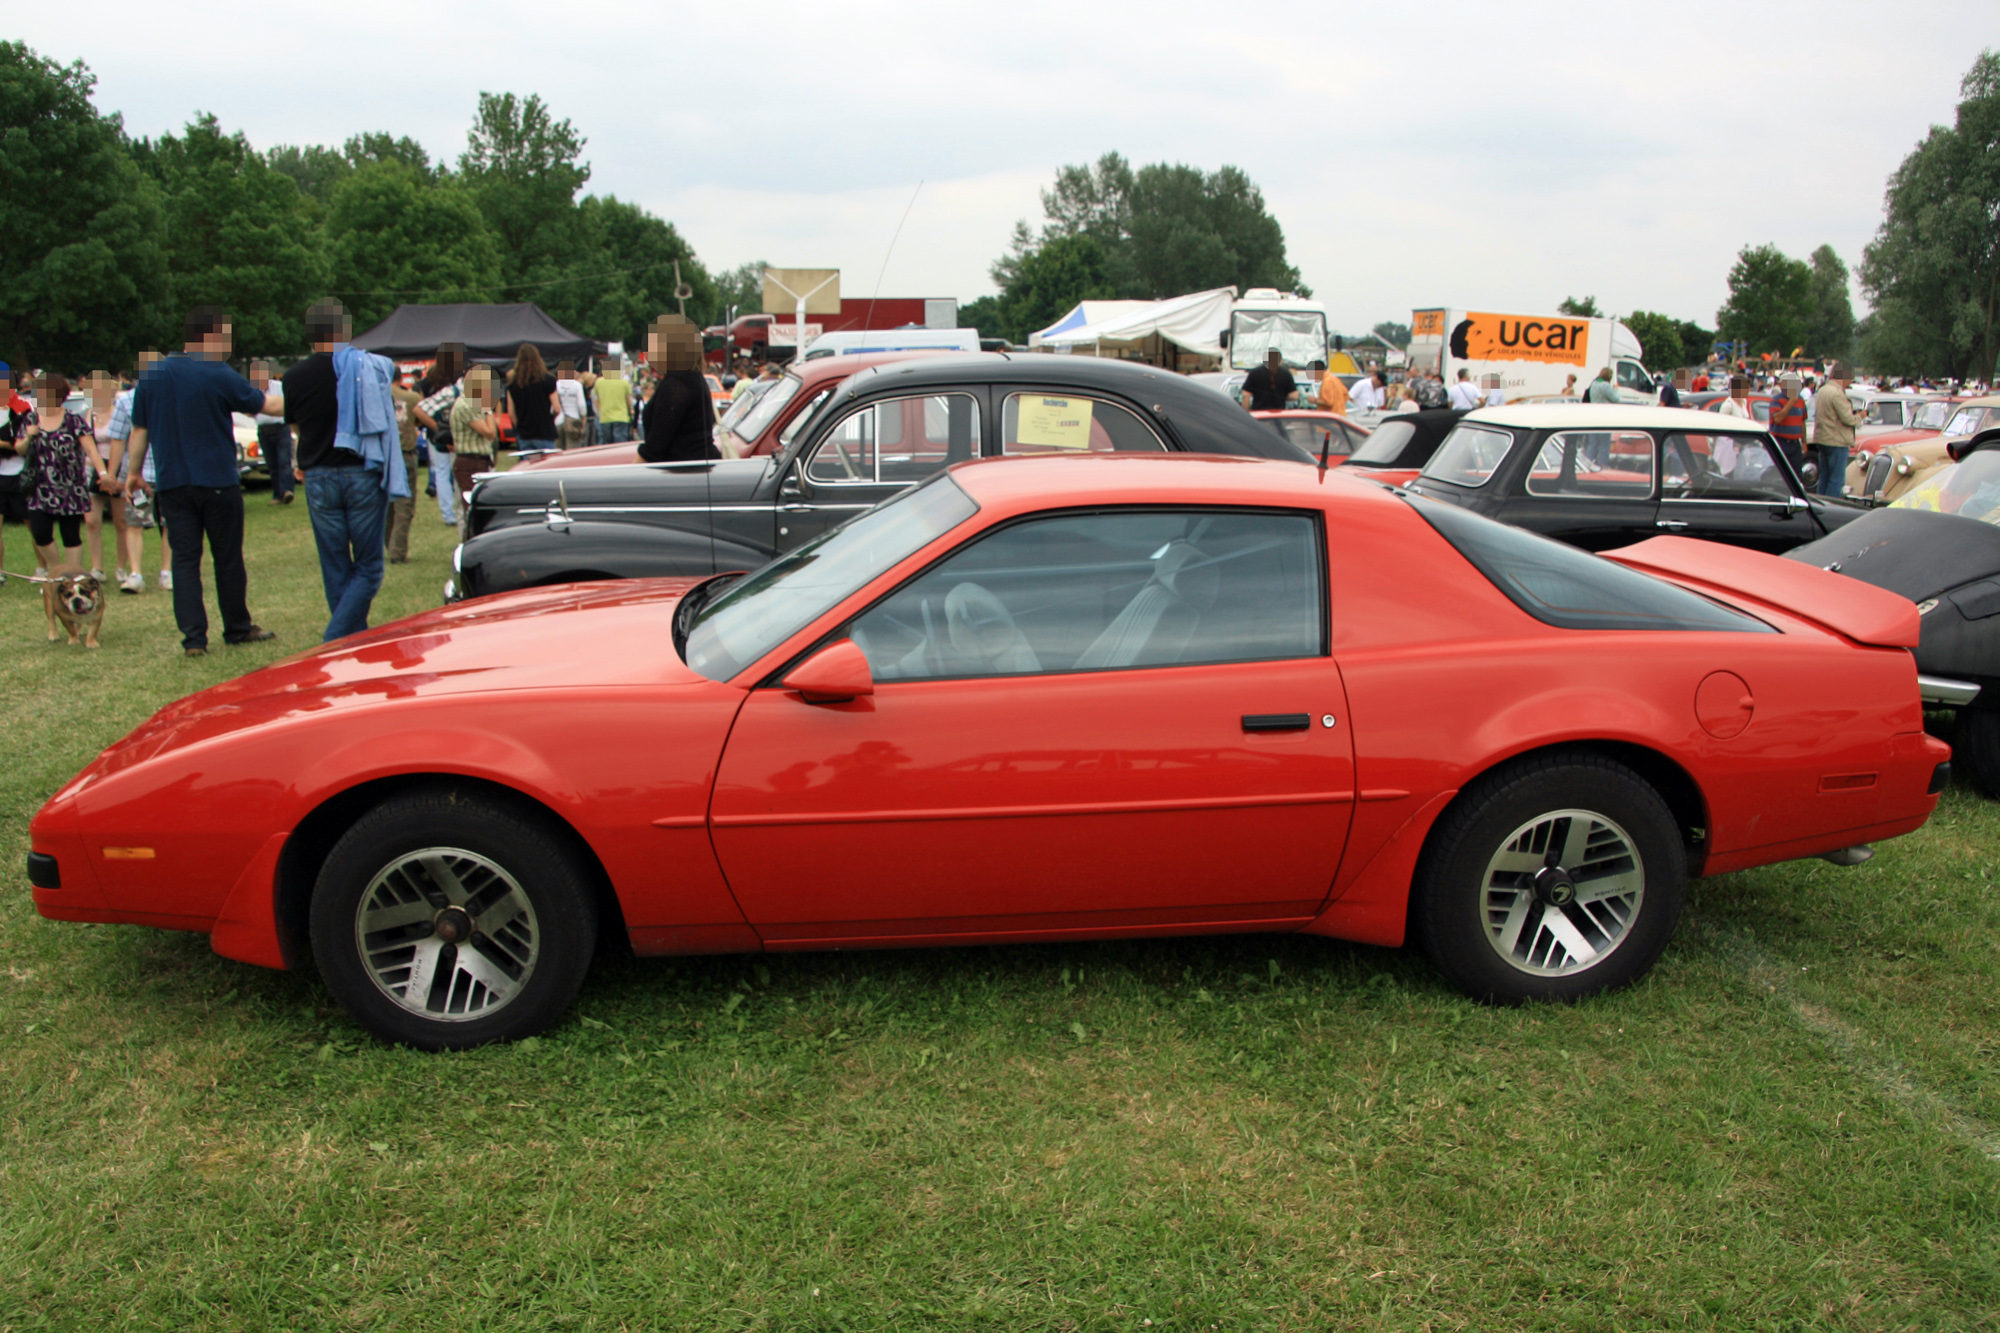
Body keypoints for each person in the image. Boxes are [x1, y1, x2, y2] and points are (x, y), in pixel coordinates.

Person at [124, 305, 280, 656]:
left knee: (184, 561)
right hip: (218, 481)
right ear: (208, 336)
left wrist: (133, 473)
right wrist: (307, 400)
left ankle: (194, 639)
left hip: (173, 483)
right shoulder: (217, 372)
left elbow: (140, 430)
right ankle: (237, 627)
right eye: (224, 336)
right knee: (227, 557)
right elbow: (265, 406)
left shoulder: (152, 375)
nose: (227, 344)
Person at [284, 300, 407, 641]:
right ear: (346, 330)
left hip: (319, 475)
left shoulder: (294, 377)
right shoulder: (366, 369)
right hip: (361, 472)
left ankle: (351, 638)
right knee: (368, 566)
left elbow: (295, 426)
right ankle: (339, 638)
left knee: (335, 564)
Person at [20, 372, 109, 574]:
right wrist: (28, 437)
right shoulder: (32, 419)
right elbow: (20, 449)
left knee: (71, 535)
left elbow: (90, 449)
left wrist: (102, 473)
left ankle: (73, 574)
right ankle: (58, 570)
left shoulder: (73, 420)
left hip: (70, 487)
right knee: (40, 533)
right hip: (40, 488)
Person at [638, 314, 720, 463]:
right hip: (697, 468)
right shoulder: (693, 379)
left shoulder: (677, 383)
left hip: (684, 472)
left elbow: (656, 445)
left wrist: (629, 478)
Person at [78, 370, 126, 582]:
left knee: (121, 521)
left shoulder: (119, 411)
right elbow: (88, 445)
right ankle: (97, 567)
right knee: (92, 521)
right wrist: (101, 472)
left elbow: (124, 443)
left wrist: (114, 475)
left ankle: (121, 567)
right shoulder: (89, 414)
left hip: (117, 468)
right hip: (95, 470)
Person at [413, 343, 465, 525]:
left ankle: (448, 513)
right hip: (456, 432)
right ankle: (458, 511)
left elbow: (421, 407)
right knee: (455, 471)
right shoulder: (458, 381)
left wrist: (435, 427)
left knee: (441, 472)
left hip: (437, 435)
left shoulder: (427, 382)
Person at [384, 373, 422, 564]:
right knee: (404, 506)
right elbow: (420, 420)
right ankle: (398, 551)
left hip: (383, 456)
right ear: (400, 378)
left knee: (386, 506)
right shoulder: (411, 398)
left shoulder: (377, 395)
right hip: (405, 454)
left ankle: (388, 543)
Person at [450, 365, 503, 494]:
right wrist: (488, 411)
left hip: (478, 460)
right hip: (471, 462)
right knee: (473, 502)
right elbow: (490, 432)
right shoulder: (467, 405)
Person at [1812, 361, 1861, 498]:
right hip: (1837, 440)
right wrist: (1860, 417)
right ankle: (1831, 507)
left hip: (1822, 438)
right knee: (1836, 480)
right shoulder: (1838, 394)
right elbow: (1848, 419)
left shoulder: (1822, 390)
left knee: (1824, 478)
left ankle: (1820, 504)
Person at [250, 359, 295, 506]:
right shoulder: (252, 390)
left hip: (281, 428)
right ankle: (277, 494)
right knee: (272, 465)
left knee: (284, 462)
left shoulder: (279, 387)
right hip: (264, 430)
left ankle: (287, 491)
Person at [0, 364, 30, 583]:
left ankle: (43, 568)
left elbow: (24, 444)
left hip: (20, 472)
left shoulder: (22, 408)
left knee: (33, 524)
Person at [506, 343, 558, 453]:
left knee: (528, 466)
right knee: (546, 466)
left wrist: (520, 426)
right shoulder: (548, 379)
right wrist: (550, 418)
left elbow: (511, 412)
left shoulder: (513, 383)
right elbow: (557, 408)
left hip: (524, 433)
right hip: (544, 431)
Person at [1768, 374, 1809, 475]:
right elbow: (1777, 418)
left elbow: (1802, 421)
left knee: (1795, 475)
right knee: (1779, 474)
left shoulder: (1801, 400)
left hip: (1795, 444)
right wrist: (1790, 402)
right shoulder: (1777, 400)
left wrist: (1804, 442)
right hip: (1780, 442)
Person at [592, 355, 633, 443]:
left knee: (606, 443)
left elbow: (596, 399)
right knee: (620, 443)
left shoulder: (599, 382)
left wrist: (600, 410)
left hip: (605, 416)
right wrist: (631, 410)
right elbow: (628, 400)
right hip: (621, 416)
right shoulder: (624, 382)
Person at [552, 360, 591, 450]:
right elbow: (581, 404)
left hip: (558, 419)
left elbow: (553, 405)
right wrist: (583, 416)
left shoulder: (556, 385)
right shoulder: (577, 385)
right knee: (572, 448)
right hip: (573, 419)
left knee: (558, 448)